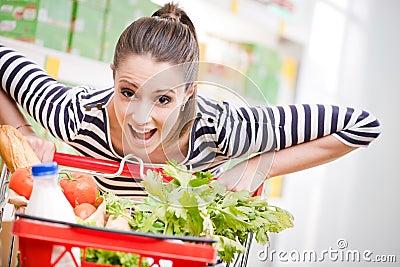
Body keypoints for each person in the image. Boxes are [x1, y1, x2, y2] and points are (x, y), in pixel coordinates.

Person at [0, 3, 381, 197]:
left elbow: (361, 125)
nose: (140, 117)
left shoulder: (222, 130)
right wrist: (20, 132)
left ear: (190, 93)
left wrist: (256, 170)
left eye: (163, 99)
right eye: (128, 92)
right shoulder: (78, 116)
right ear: (112, 76)